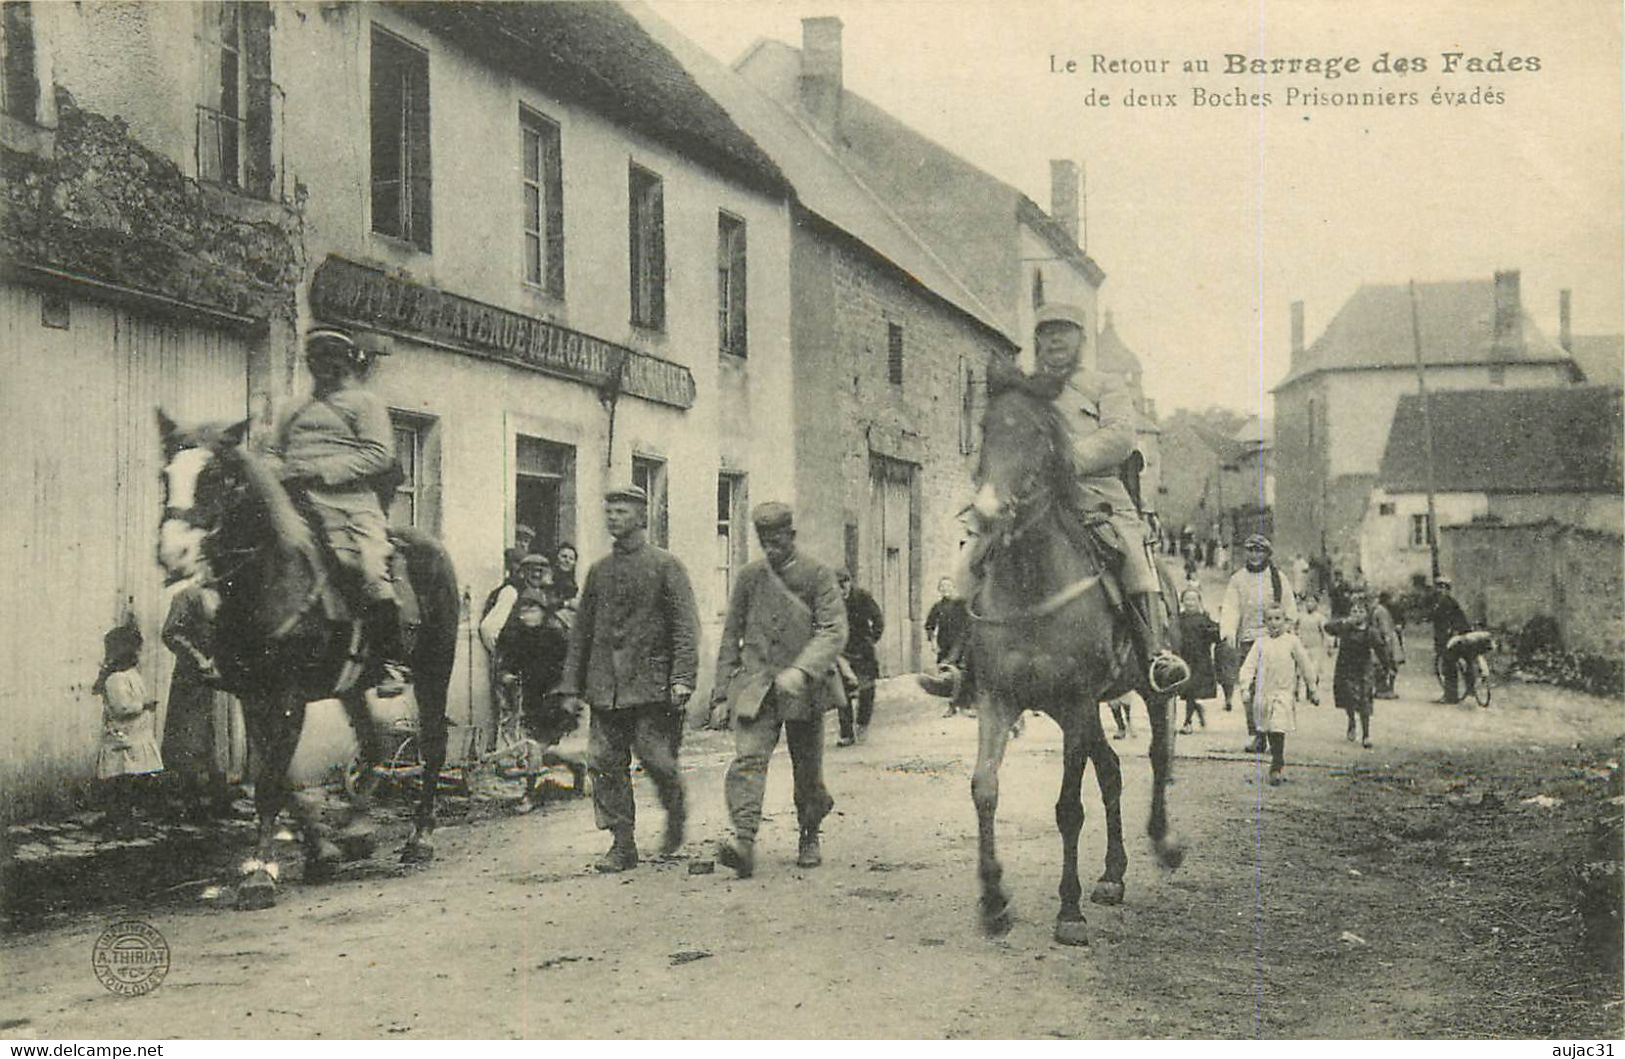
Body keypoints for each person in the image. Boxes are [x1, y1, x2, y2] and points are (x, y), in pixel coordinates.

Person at [1007, 302, 1188, 692]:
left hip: (1100, 496)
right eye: (1047, 331)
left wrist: (1065, 460)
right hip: (1037, 497)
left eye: (1065, 330)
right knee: (982, 550)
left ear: (1081, 339)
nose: (1055, 338)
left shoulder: (1106, 385)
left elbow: (1121, 436)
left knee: (1134, 558)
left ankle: (1155, 653)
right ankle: (964, 661)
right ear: (1037, 340)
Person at [558, 484, 699, 873]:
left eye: (622, 511)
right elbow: (581, 633)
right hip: (606, 686)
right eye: (610, 511)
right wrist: (571, 686)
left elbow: (686, 627)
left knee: (657, 760)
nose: (613, 517)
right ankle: (622, 843)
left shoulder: (665, 565)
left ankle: (675, 809)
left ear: (642, 517)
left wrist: (682, 677)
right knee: (603, 761)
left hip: (652, 686)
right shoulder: (598, 572)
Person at [710, 502, 847, 878]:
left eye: (776, 541)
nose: (769, 548)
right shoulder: (749, 578)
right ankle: (744, 841)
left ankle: (809, 833)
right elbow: (730, 635)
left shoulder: (817, 575)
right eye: (763, 541)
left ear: (791, 536)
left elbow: (833, 629)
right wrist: (721, 693)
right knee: (748, 760)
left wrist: (803, 669)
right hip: (757, 685)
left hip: (805, 687)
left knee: (808, 768)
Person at [273, 327, 409, 696]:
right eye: (315, 358)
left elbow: (379, 454)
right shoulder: (292, 408)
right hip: (295, 503)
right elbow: (272, 451)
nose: (323, 366)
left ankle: (389, 663)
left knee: (370, 568)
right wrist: (275, 471)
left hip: (351, 507)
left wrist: (321, 470)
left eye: (331, 358)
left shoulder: (365, 404)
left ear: (345, 362)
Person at [161, 577, 243, 819]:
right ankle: (190, 801)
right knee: (190, 739)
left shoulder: (227, 597)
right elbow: (171, 633)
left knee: (220, 740)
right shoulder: (187, 596)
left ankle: (220, 800)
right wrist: (198, 658)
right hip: (192, 679)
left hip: (220, 678)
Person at [1219, 534, 1297, 753]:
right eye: (1251, 550)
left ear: (1266, 554)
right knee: (1250, 690)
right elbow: (1231, 608)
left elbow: (1289, 608)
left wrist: (1287, 631)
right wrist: (1228, 631)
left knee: (1273, 691)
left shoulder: (1278, 578)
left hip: (1273, 640)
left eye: (1259, 551)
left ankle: (1274, 736)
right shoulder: (1238, 579)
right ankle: (1256, 734)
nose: (1254, 555)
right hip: (1249, 640)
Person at [1236, 603, 1320, 785]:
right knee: (1266, 726)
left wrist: (1312, 687)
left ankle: (1276, 764)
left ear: (1285, 621)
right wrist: (1245, 687)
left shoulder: (1292, 642)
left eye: (1278, 619)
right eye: (1269, 620)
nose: (1274, 623)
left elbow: (1305, 664)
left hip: (1283, 692)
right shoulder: (1260, 643)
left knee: (1278, 726)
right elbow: (1249, 666)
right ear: (1264, 622)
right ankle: (1267, 746)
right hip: (1263, 693)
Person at [94, 622, 163, 833]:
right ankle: (118, 817)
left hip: (135, 735)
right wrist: (143, 705)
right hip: (122, 738)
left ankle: (125, 816)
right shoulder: (115, 679)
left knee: (132, 779)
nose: (138, 655)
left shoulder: (131, 674)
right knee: (121, 779)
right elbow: (121, 707)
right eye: (134, 650)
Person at [1324, 595, 1392, 748]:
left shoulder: (1370, 632)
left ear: (1366, 614)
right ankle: (1351, 722)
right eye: (1353, 611)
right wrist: (1345, 621)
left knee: (1364, 700)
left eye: (1360, 611)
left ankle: (1366, 734)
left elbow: (1381, 650)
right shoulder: (1345, 628)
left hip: (1363, 669)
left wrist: (1387, 666)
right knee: (1349, 698)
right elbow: (1328, 627)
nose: (1357, 614)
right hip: (1346, 668)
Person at [835, 570, 883, 747]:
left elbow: (878, 619)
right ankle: (846, 733)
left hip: (863, 650)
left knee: (867, 689)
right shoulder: (832, 600)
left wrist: (872, 639)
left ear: (849, 583)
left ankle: (862, 724)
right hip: (842, 650)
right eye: (837, 587)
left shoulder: (862, 596)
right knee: (841, 692)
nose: (841, 590)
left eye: (843, 585)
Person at [1176, 586, 1222, 734]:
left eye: (1193, 599)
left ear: (1199, 602)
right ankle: (1197, 709)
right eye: (1187, 599)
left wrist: (1215, 630)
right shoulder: (1178, 619)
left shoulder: (1204, 619)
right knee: (1187, 691)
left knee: (1191, 691)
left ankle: (1187, 722)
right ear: (1182, 601)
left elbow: (1216, 637)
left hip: (1200, 660)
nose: (1190, 603)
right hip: (1183, 659)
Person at [1430, 576, 1474, 704]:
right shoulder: (1443, 601)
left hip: (1451, 638)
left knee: (1449, 666)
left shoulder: (1446, 602)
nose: (1439, 590)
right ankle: (1459, 691)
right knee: (1451, 665)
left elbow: (1450, 622)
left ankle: (1451, 696)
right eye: (1438, 587)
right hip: (1449, 637)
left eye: (1442, 587)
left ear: (1447, 589)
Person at [1371, 591, 1404, 699]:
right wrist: (1387, 643)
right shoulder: (1382, 611)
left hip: (1379, 640)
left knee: (1382, 665)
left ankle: (1383, 689)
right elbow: (1384, 629)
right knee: (1386, 664)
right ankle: (1384, 690)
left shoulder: (1379, 610)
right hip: (1383, 641)